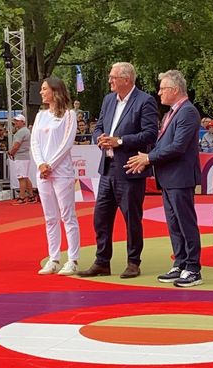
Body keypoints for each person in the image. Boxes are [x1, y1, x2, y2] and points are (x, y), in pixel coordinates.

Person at [78, 62, 158, 279]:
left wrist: (120, 141)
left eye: (113, 77)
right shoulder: (108, 100)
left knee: (132, 217)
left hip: (130, 168)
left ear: (126, 79)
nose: (110, 80)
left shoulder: (145, 101)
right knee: (101, 217)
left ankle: (133, 261)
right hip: (107, 168)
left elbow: (150, 134)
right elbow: (99, 127)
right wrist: (99, 139)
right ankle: (102, 261)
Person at [125, 70, 203, 287]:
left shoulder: (187, 112)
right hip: (169, 177)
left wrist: (148, 158)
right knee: (174, 223)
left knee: (185, 222)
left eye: (163, 89)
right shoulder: (171, 113)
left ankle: (193, 268)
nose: (159, 93)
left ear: (175, 90)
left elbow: (178, 147)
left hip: (180, 177)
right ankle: (180, 262)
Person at [30, 78, 80, 276]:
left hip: (61, 172)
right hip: (43, 173)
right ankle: (54, 258)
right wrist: (41, 164)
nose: (41, 93)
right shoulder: (41, 115)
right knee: (50, 217)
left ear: (55, 91)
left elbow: (66, 143)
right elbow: (35, 142)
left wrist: (50, 165)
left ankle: (73, 259)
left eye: (44, 89)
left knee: (68, 215)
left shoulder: (69, 115)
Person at [8, 113, 35, 204]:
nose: (14, 122)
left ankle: (22, 198)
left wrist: (10, 152)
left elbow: (16, 145)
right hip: (24, 156)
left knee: (21, 178)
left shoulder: (21, 132)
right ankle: (31, 196)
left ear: (22, 122)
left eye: (16, 121)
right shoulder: (25, 131)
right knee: (25, 177)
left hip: (20, 157)